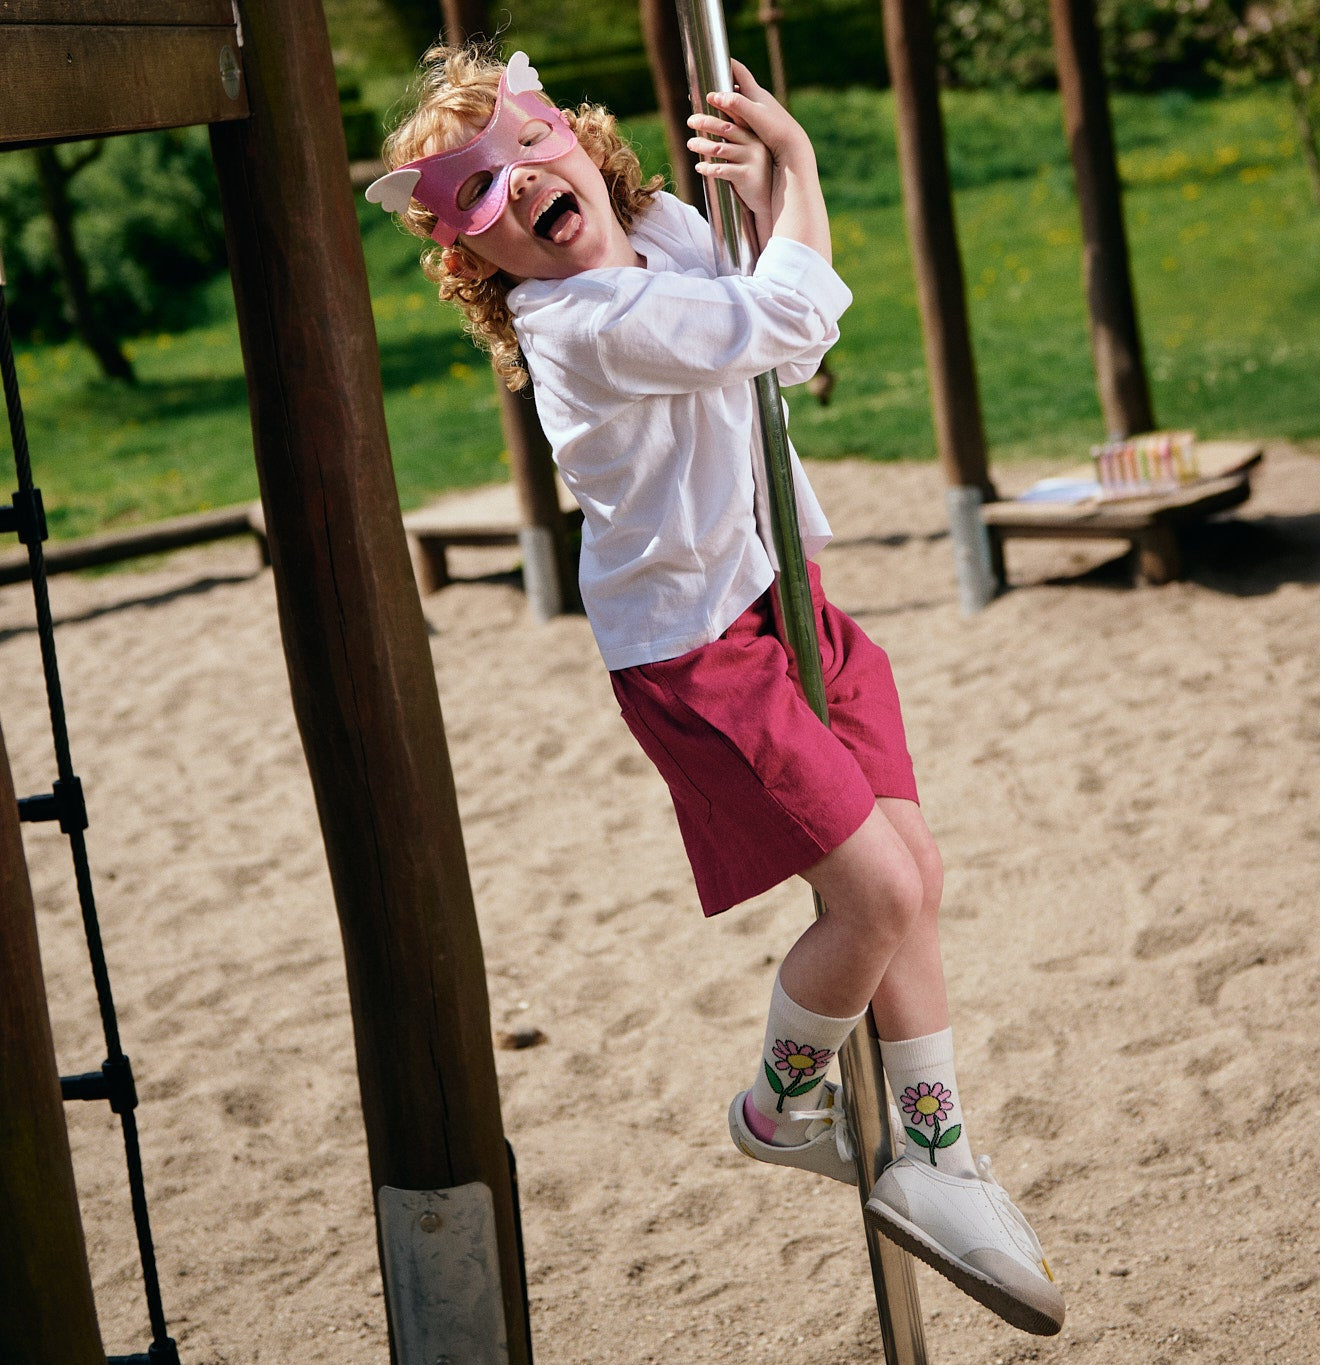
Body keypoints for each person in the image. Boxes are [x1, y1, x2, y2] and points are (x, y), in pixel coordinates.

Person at [370, 43, 1065, 1337]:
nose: (519, 190)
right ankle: (779, 1104)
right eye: (481, 201)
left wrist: (763, 204)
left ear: (579, 142)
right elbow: (786, 323)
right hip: (697, 648)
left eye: (528, 153)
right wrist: (797, 164)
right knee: (874, 894)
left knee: (915, 868)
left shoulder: (666, 237)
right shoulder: (581, 324)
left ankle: (937, 1149)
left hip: (780, 582)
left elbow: (783, 354)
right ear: (477, 264)